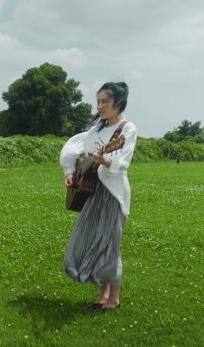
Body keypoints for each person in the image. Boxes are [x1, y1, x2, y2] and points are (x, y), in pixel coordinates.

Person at [60, 81, 137, 310]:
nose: (100, 106)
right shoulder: (96, 130)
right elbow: (74, 148)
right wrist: (70, 172)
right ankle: (102, 296)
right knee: (89, 239)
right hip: (92, 191)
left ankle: (113, 299)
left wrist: (107, 160)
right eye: (99, 101)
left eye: (105, 102)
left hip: (113, 194)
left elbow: (123, 161)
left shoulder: (126, 129)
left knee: (109, 244)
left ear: (119, 103)